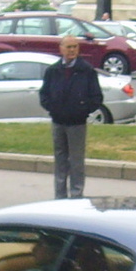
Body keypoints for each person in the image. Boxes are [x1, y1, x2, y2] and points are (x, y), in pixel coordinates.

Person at [38, 33, 103, 199]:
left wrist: (82, 110)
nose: (72, 50)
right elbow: (44, 94)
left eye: (75, 47)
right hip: (58, 122)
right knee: (60, 160)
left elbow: (96, 97)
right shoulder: (53, 71)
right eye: (68, 47)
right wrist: (53, 108)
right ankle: (59, 196)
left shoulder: (86, 71)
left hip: (77, 123)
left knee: (76, 161)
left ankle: (76, 195)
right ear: (61, 49)